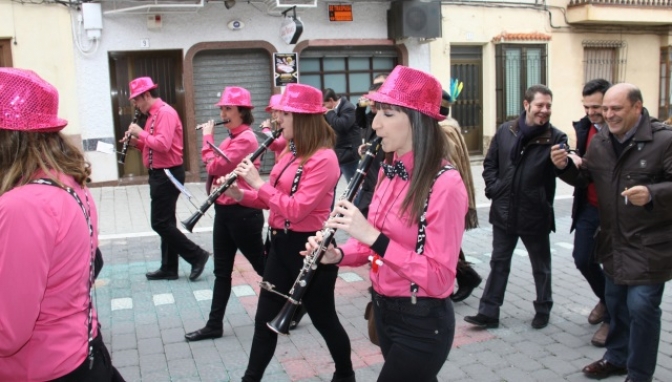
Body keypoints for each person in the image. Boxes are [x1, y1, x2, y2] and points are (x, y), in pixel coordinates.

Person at [304, 65, 468, 382]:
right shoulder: (386, 170)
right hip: (383, 311)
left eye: (388, 114)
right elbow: (369, 245)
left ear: (418, 120)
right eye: (377, 112)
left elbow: (439, 277)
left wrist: (374, 238)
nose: (375, 123)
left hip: (422, 321)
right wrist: (338, 256)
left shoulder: (445, 185)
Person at [225, 83, 355, 382]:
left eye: (284, 114)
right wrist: (241, 194)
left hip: (309, 248)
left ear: (303, 118)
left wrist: (258, 184)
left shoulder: (325, 159)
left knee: (324, 319)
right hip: (280, 245)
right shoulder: (289, 151)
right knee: (264, 321)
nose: (277, 121)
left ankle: (346, 373)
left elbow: (296, 209)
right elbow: (273, 200)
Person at [0, 68, 124, 381]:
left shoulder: (22, 206)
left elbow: (7, 332)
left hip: (40, 368)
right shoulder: (67, 183)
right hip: (80, 352)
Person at [551, 83, 672, 382]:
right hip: (613, 242)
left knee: (642, 308)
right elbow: (586, 178)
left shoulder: (664, 140)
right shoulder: (601, 140)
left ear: (637, 108)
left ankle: (640, 374)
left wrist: (653, 193)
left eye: (615, 108)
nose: (608, 114)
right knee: (616, 305)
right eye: (605, 108)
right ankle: (616, 359)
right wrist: (565, 166)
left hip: (649, 245)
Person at [464, 84, 567, 330]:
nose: (545, 110)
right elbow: (489, 164)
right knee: (499, 263)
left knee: (541, 266)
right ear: (526, 105)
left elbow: (563, 170)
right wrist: (494, 189)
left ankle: (543, 308)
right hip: (504, 211)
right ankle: (488, 312)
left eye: (548, 106)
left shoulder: (556, 138)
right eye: (540, 105)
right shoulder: (505, 131)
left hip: (535, 213)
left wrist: (564, 165)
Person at [184, 86, 265, 342]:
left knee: (263, 267)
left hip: (243, 212)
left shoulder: (246, 139)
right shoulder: (229, 138)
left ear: (243, 112)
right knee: (221, 271)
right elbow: (215, 166)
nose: (223, 112)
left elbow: (215, 164)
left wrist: (206, 138)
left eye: (228, 108)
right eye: (222, 108)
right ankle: (214, 324)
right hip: (224, 210)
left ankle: (297, 302)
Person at [124, 76, 209, 281]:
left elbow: (163, 144)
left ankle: (197, 255)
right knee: (167, 221)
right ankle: (169, 267)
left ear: (146, 95)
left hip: (168, 173)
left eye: (136, 99)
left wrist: (140, 133)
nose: (135, 104)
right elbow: (154, 147)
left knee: (159, 223)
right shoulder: (153, 115)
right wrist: (136, 142)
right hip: (160, 172)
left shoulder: (165, 113)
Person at [568, 79, 612, 347]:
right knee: (582, 258)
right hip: (590, 205)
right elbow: (583, 175)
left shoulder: (623, 129)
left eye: (597, 106)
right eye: (587, 107)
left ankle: (613, 319)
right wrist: (568, 164)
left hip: (618, 212)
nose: (591, 112)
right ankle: (607, 300)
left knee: (615, 268)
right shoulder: (585, 128)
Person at [438, 90, 482, 302]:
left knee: (441, 243)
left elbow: (449, 164)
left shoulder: (444, 129)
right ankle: (466, 277)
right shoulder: (446, 126)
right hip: (442, 194)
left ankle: (466, 277)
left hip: (444, 196)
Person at [354, 82, 385, 217]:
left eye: (375, 100)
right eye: (370, 99)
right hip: (369, 181)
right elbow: (360, 122)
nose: (371, 103)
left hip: (378, 184)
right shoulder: (371, 115)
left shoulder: (389, 122)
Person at [323, 88, 361, 183]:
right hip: (336, 154)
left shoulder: (348, 108)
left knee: (353, 185)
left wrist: (329, 112)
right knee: (330, 185)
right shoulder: (329, 110)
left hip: (349, 155)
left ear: (331, 100)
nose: (323, 108)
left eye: (324, 105)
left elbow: (341, 125)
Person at [260, 93, 288, 162]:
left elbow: (275, 145)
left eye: (276, 111)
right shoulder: (279, 129)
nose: (273, 115)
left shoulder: (288, 130)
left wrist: (266, 129)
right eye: (272, 112)